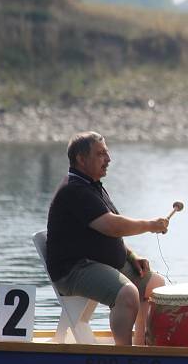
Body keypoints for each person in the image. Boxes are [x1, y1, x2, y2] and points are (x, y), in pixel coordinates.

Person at [45, 132, 168, 346]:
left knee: (155, 285)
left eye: (107, 153)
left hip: (99, 264)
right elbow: (111, 225)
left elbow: (109, 231)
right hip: (74, 270)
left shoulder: (93, 186)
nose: (108, 160)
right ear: (81, 159)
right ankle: (123, 356)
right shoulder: (74, 190)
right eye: (101, 154)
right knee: (127, 294)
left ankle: (143, 348)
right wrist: (150, 225)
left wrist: (131, 255)